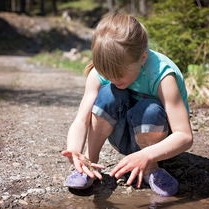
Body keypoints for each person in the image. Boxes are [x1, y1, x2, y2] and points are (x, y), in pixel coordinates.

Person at [62, 12, 193, 196]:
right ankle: (90, 164)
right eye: (107, 74)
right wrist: (75, 150)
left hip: (158, 142)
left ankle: (151, 168)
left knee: (150, 110)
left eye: (119, 74)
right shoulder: (103, 71)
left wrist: (147, 155)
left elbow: (184, 136)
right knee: (107, 94)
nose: (113, 79)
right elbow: (81, 120)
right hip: (121, 134)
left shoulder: (162, 74)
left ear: (143, 58)